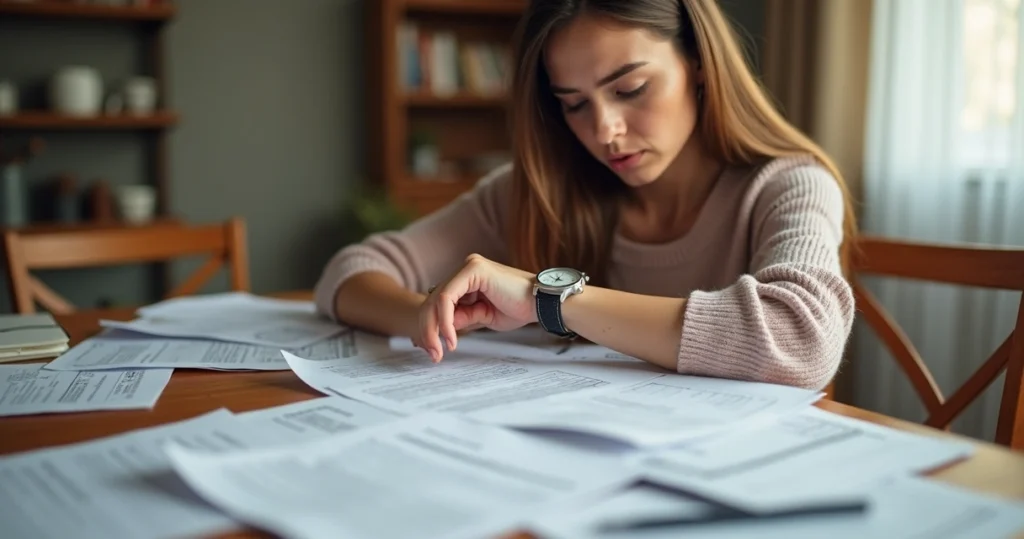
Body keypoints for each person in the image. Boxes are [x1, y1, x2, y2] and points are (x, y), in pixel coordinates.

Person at [314, 0, 857, 391]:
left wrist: (544, 299)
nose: (605, 131)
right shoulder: (543, 191)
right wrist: (420, 318)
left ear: (697, 64)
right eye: (574, 104)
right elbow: (350, 271)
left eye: (630, 89)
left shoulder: (789, 184)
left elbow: (803, 339)